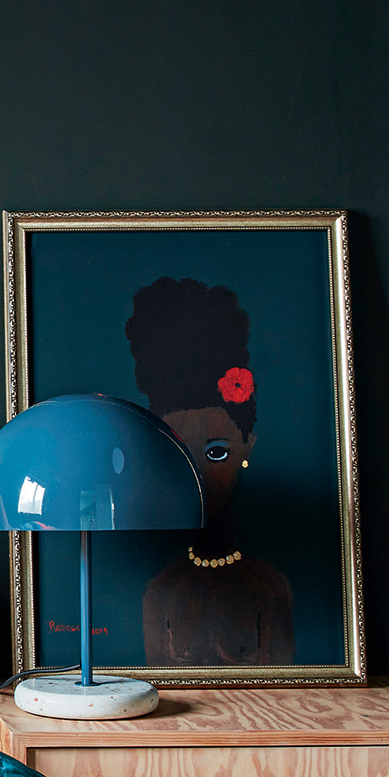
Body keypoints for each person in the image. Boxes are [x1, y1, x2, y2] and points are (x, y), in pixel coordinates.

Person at [126, 276, 294, 667]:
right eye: (181, 453)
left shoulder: (268, 588)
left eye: (216, 452)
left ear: (248, 444)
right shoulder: (161, 591)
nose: (198, 472)